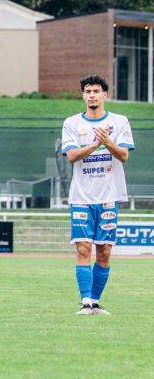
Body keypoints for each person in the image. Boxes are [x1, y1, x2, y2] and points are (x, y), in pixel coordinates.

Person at [61, 75, 134, 316]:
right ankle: (85, 302)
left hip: (109, 196)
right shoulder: (72, 123)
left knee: (104, 251)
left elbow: (123, 155)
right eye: (88, 91)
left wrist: (107, 141)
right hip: (81, 196)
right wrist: (94, 144)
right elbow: (71, 156)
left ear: (105, 95)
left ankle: (94, 301)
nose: (92, 95)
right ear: (83, 95)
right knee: (83, 249)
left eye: (96, 91)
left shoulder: (120, 121)